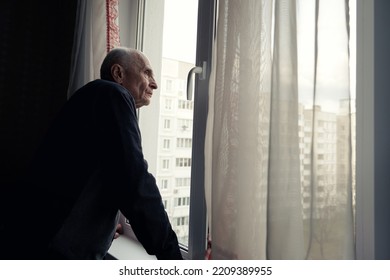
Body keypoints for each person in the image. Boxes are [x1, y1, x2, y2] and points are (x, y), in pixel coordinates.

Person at [4, 47, 183, 260]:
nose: (154, 83)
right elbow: (134, 181)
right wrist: (172, 256)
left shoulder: (94, 96)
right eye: (147, 73)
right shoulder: (113, 94)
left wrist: (103, 225)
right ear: (118, 74)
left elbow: (100, 173)